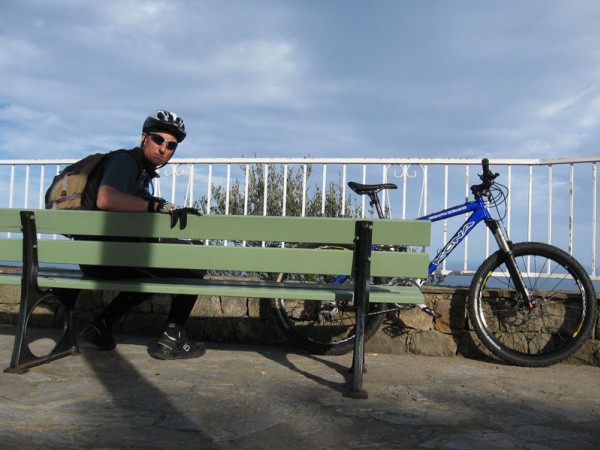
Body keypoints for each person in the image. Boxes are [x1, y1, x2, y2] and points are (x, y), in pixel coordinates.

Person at [79, 110, 206, 360]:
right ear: (144, 137)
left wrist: (160, 205)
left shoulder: (140, 172)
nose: (163, 149)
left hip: (103, 256)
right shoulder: (126, 162)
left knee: (153, 273)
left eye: (171, 145)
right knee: (194, 263)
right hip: (104, 258)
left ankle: (100, 326)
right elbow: (106, 198)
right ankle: (172, 339)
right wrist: (155, 206)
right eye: (159, 140)